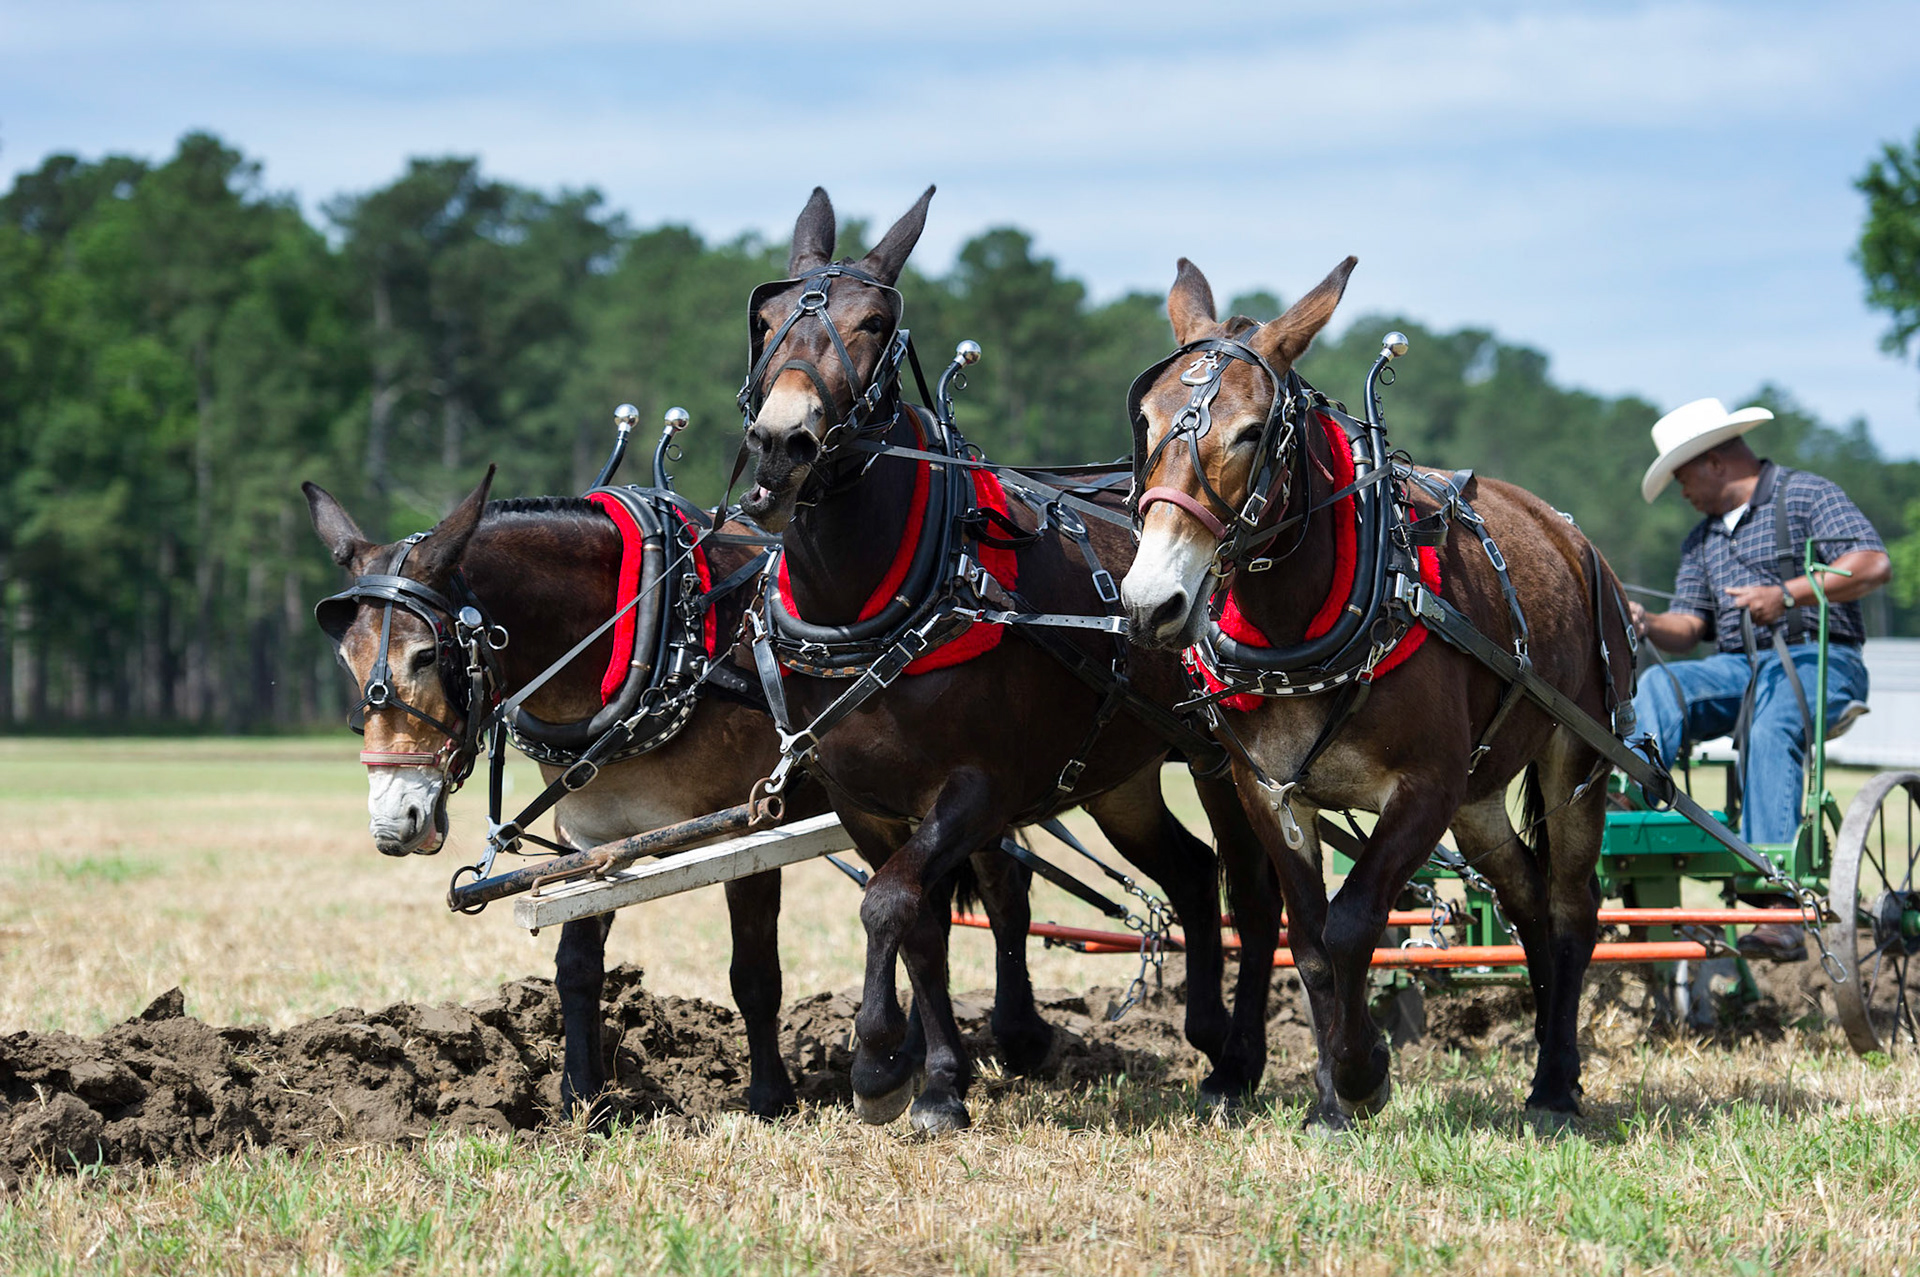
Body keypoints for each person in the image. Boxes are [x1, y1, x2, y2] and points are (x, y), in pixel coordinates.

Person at [1628, 397, 1891, 961]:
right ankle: (1631, 813)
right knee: (1659, 685)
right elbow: (1689, 625)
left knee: (1772, 729)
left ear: (1715, 462)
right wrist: (1646, 621)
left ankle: (1778, 905)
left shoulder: (1807, 494)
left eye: (1682, 477)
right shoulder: (1700, 540)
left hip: (1822, 658)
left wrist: (1788, 593)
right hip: (1738, 667)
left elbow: (1872, 564)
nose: (1682, 492)